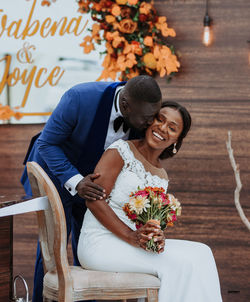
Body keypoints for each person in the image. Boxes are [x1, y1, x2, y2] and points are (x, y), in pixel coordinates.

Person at [20, 75, 162, 302]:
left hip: (97, 186)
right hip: (58, 175)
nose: (150, 123)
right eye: (147, 118)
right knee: (52, 249)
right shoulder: (80, 98)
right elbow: (47, 143)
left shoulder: (140, 113)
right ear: (125, 105)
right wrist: (75, 181)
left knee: (87, 248)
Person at [77, 101, 223, 302]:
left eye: (172, 128)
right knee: (178, 264)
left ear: (176, 140)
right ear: (148, 120)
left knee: (202, 253)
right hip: (100, 243)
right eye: (159, 119)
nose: (163, 128)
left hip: (132, 243)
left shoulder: (161, 176)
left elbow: (147, 222)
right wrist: (130, 236)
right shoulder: (120, 151)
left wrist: (155, 236)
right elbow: (93, 202)